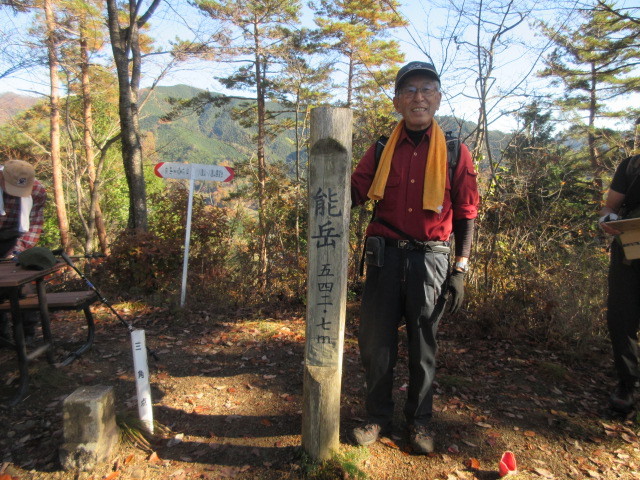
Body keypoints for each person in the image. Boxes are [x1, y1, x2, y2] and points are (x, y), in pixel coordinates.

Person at [350, 61, 479, 453]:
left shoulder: (456, 152)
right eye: (409, 91)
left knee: (424, 347)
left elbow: (467, 212)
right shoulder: (379, 150)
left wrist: (460, 267)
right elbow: (352, 194)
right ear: (396, 102)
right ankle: (376, 417)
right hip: (384, 257)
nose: (418, 97)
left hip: (431, 261)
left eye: (426, 89)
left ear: (438, 98)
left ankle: (420, 423)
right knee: (376, 344)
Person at [599, 153, 640, 413]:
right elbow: (609, 207)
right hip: (630, 254)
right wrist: (607, 221)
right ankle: (627, 384)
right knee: (621, 319)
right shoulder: (632, 165)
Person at [0, 159, 47, 342]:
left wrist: (18, 250)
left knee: (23, 281)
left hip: (15, 236)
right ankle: (2, 336)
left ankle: (27, 334)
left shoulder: (37, 190)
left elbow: (34, 224)